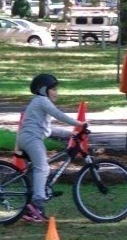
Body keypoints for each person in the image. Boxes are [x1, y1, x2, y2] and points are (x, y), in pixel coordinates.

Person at [16, 74, 87, 222]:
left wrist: (70, 134)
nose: (56, 92)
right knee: (43, 168)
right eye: (53, 89)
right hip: (31, 138)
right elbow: (58, 114)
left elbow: (47, 129)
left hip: (27, 137)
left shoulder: (38, 102)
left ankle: (30, 209)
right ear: (43, 90)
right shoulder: (42, 101)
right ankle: (37, 205)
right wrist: (79, 123)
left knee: (36, 170)